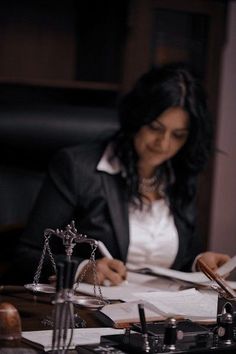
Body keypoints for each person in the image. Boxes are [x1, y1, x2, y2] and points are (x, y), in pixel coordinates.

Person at [10, 62, 230, 286]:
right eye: (155, 128)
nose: (163, 144)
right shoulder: (77, 168)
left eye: (178, 135)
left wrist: (199, 263)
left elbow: (178, 262)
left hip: (161, 314)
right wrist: (81, 269)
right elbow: (26, 256)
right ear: (136, 118)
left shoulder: (179, 176)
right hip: (95, 311)